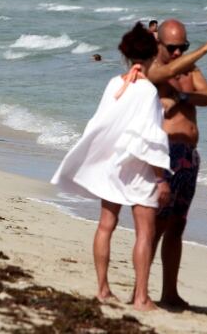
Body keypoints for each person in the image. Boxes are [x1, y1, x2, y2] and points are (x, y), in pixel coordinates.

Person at [51, 22, 172, 311]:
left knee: (106, 225)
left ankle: (103, 289)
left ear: (125, 55)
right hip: (139, 167)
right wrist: (161, 178)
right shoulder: (147, 91)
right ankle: (141, 297)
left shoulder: (115, 84)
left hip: (113, 165)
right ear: (154, 54)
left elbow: (99, 124)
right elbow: (150, 136)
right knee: (145, 231)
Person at [150, 19, 207, 309]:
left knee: (178, 225)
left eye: (184, 47)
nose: (179, 53)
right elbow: (159, 79)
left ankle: (169, 292)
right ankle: (141, 289)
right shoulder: (152, 69)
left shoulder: (190, 69)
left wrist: (181, 96)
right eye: (173, 47)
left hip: (188, 155)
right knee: (155, 224)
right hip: (165, 153)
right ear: (159, 44)